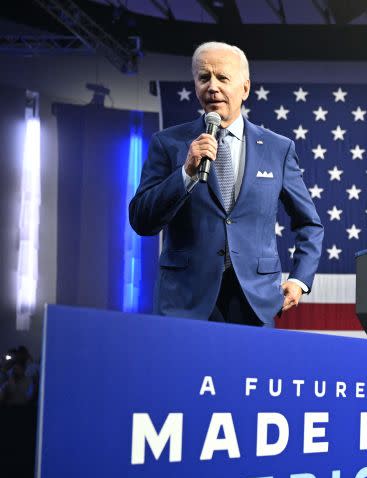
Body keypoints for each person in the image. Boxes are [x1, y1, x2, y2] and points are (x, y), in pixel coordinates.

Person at [130, 42, 324, 325]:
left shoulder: (277, 149)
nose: (212, 87)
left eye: (222, 77)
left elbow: (310, 224)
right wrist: (185, 173)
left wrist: (299, 280)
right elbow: (141, 220)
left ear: (245, 88)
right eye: (204, 77)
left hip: (254, 301)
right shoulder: (168, 143)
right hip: (185, 301)